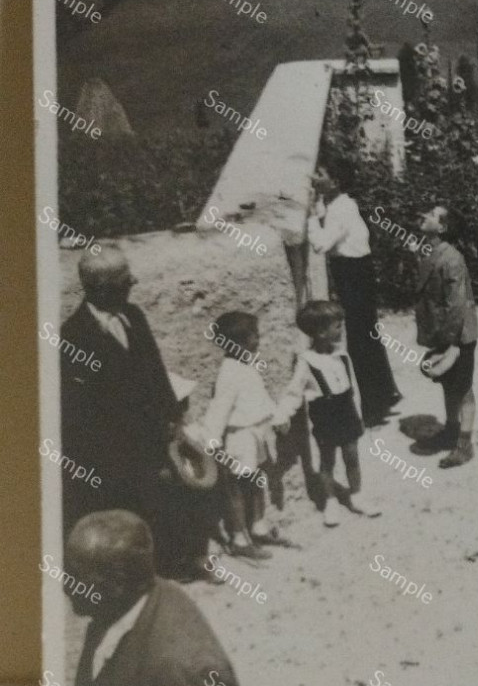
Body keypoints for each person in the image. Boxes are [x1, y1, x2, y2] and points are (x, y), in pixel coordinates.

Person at [58, 246, 214, 582]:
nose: (134, 282)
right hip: (112, 449)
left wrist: (174, 419)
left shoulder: (135, 316)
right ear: (103, 287)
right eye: (126, 278)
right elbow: (80, 410)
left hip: (153, 437)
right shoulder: (72, 336)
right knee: (127, 511)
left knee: (167, 498)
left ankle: (177, 563)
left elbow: (156, 371)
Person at [66, 510, 247, 686]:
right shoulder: (116, 606)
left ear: (115, 585)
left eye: (76, 577)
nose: (65, 585)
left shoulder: (187, 669)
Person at [308, 162, 401, 425]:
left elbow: (321, 244)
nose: (315, 177)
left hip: (353, 274)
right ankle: (384, 396)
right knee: (367, 335)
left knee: (360, 340)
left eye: (321, 173)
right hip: (356, 272)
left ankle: (373, 408)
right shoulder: (336, 204)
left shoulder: (342, 209)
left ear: (335, 182)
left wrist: (309, 218)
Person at [276, 300, 378, 526]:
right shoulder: (307, 362)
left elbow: (353, 389)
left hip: (346, 410)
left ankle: (356, 495)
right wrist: (282, 414)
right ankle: (330, 500)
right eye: (337, 326)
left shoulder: (342, 356)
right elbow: (294, 392)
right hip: (325, 415)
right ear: (321, 333)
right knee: (327, 460)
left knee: (352, 456)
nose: (342, 329)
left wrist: (360, 414)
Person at [199, 311, 284, 561]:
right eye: (253, 337)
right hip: (239, 437)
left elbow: (259, 396)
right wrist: (212, 441)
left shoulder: (246, 365)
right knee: (236, 488)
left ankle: (257, 526)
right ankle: (237, 537)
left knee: (257, 480)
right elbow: (219, 408)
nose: (258, 341)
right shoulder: (228, 372)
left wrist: (277, 417)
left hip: (256, 433)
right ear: (236, 343)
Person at [411, 205, 478, 468]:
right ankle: (450, 432)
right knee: (448, 384)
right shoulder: (428, 251)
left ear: (443, 228)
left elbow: (456, 305)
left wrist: (451, 345)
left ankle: (464, 444)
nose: (424, 215)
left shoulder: (451, 258)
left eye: (431, 215)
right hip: (443, 331)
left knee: (463, 389)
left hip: (458, 333)